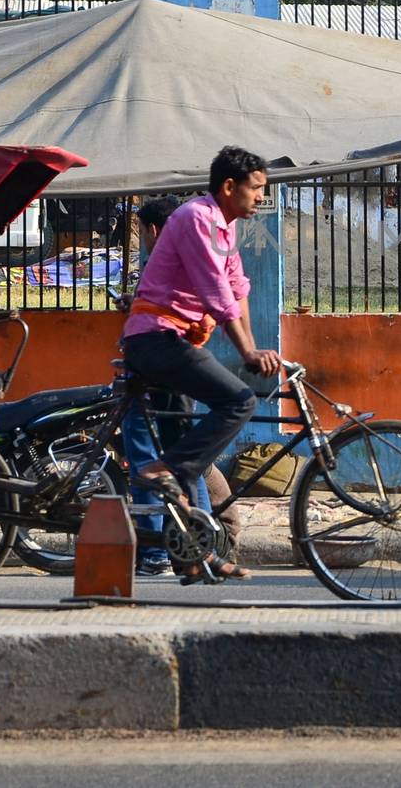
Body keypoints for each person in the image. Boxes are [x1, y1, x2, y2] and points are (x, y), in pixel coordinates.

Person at [120, 146, 283, 580]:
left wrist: (257, 346)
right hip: (155, 339)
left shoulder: (224, 229)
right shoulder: (196, 217)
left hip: (171, 342)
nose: (261, 198)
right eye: (256, 188)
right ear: (229, 187)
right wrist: (248, 353)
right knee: (238, 402)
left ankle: (194, 557)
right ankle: (164, 472)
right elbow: (216, 293)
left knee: (184, 445)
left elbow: (237, 288)